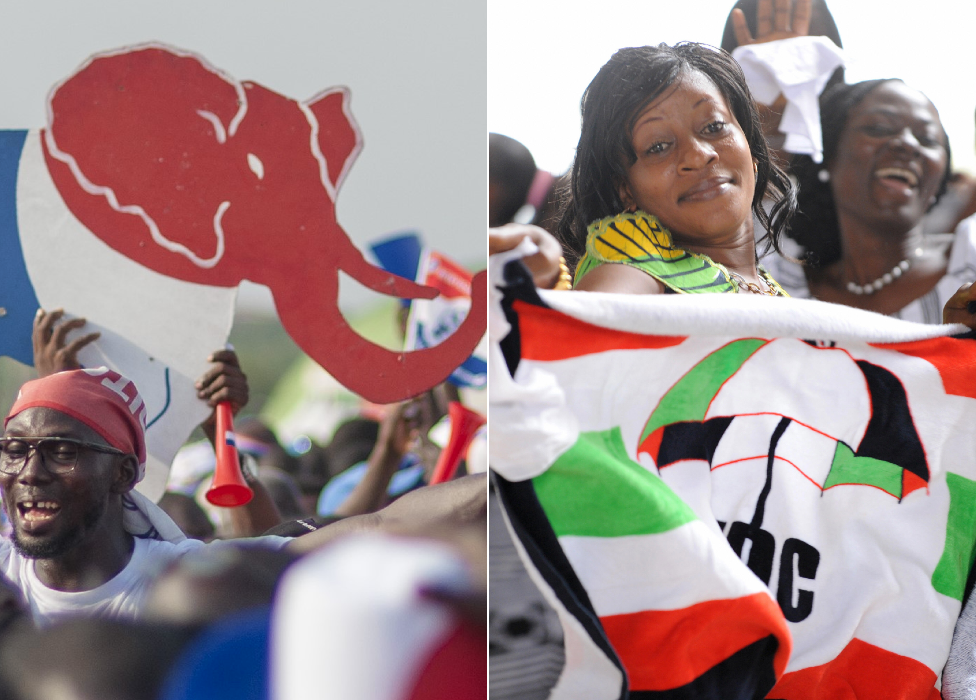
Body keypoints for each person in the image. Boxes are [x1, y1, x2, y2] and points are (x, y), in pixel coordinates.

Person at [555, 42, 797, 297]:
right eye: (658, 147)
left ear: (750, 146)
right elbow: (598, 318)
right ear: (626, 190)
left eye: (714, 127)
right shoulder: (635, 262)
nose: (699, 156)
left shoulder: (773, 290)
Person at [760, 78, 976, 326]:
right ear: (828, 155)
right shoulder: (774, 287)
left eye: (927, 139)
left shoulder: (969, 261)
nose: (908, 144)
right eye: (879, 128)